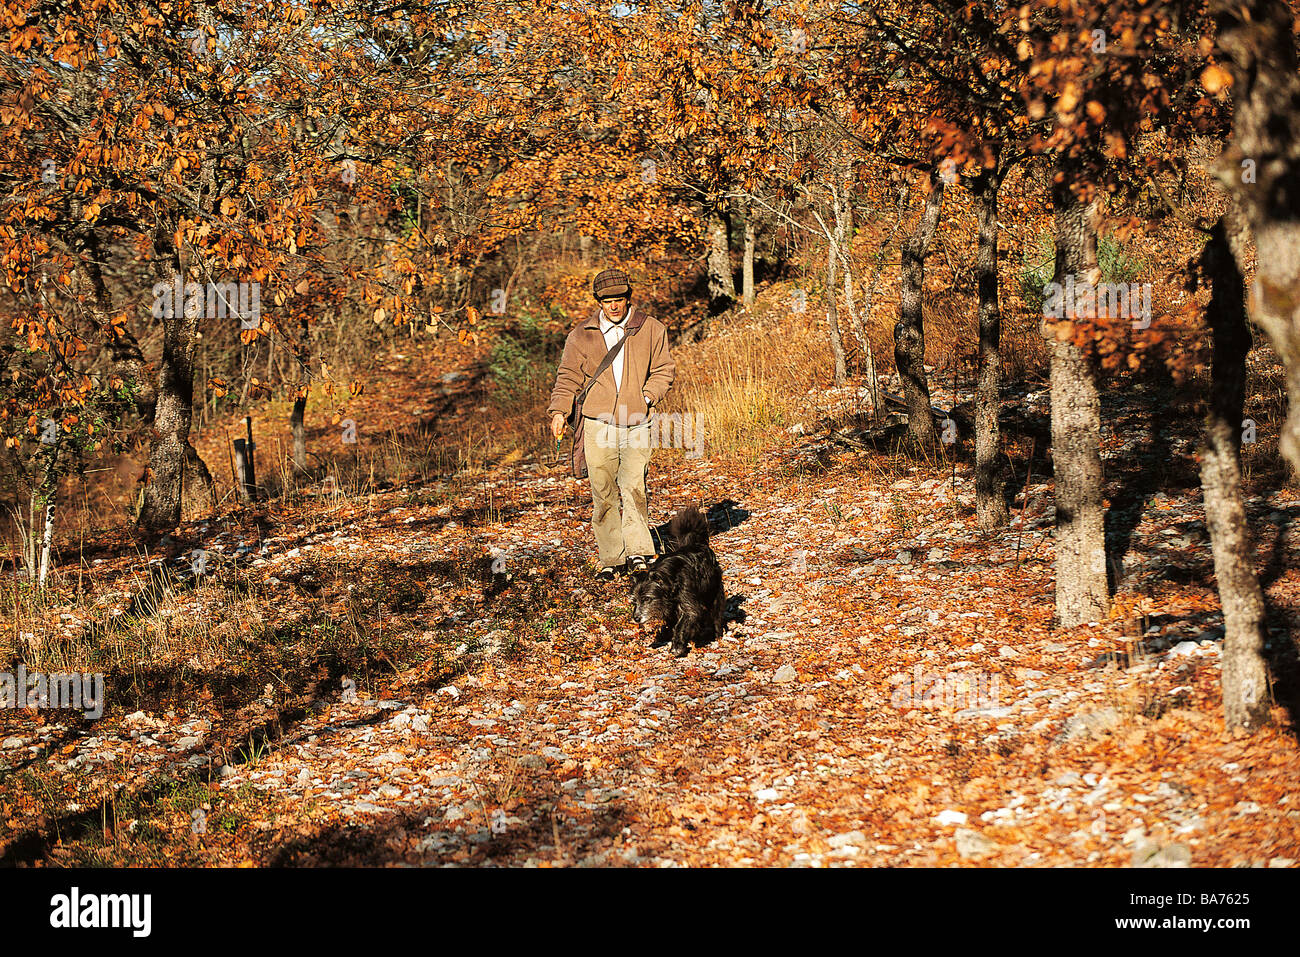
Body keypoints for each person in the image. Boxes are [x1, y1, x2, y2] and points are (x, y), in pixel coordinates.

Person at [548, 267, 676, 580]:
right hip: (596, 423)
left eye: (619, 299)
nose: (614, 306)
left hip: (636, 419)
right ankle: (611, 557)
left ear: (628, 298)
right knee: (603, 492)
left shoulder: (651, 329)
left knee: (634, 488)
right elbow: (567, 376)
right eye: (607, 301)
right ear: (599, 302)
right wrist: (559, 411)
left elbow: (664, 370)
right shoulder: (581, 334)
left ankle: (639, 554)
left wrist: (646, 397)